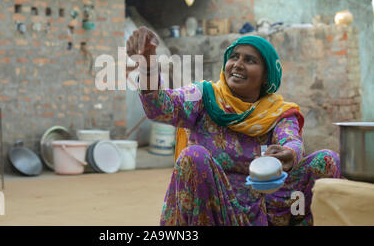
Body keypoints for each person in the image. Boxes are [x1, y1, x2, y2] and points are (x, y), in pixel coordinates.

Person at [126, 26, 341, 226]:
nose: (237, 64)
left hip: (267, 207)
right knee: (193, 156)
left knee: (328, 160)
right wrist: (147, 64)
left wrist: (288, 154)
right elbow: (161, 108)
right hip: (216, 211)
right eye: (233, 57)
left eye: (250, 60)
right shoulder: (204, 97)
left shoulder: (277, 112)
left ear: (266, 76)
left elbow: (291, 140)